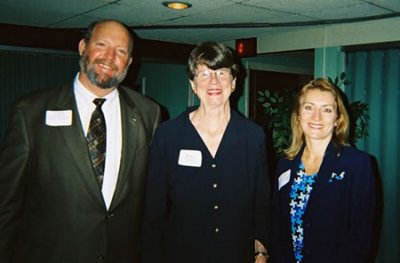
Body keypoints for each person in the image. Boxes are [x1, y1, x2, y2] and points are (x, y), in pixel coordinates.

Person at [0, 19, 160, 263]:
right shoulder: (31, 112)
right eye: (102, 44)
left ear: (129, 62)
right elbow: (7, 202)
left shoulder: (148, 112)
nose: (109, 57)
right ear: (83, 46)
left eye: (121, 51)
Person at [141, 41, 271, 263]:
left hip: (236, 254)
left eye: (221, 73)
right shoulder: (168, 136)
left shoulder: (253, 136)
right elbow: (153, 208)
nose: (214, 81)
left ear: (234, 82)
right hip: (181, 254)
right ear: (193, 84)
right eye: (204, 74)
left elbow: (262, 202)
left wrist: (261, 251)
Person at [270, 78, 376, 263]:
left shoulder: (357, 164)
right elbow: (277, 225)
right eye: (309, 107)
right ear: (298, 115)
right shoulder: (285, 165)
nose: (316, 117)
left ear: (337, 119)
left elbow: (362, 236)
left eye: (326, 110)